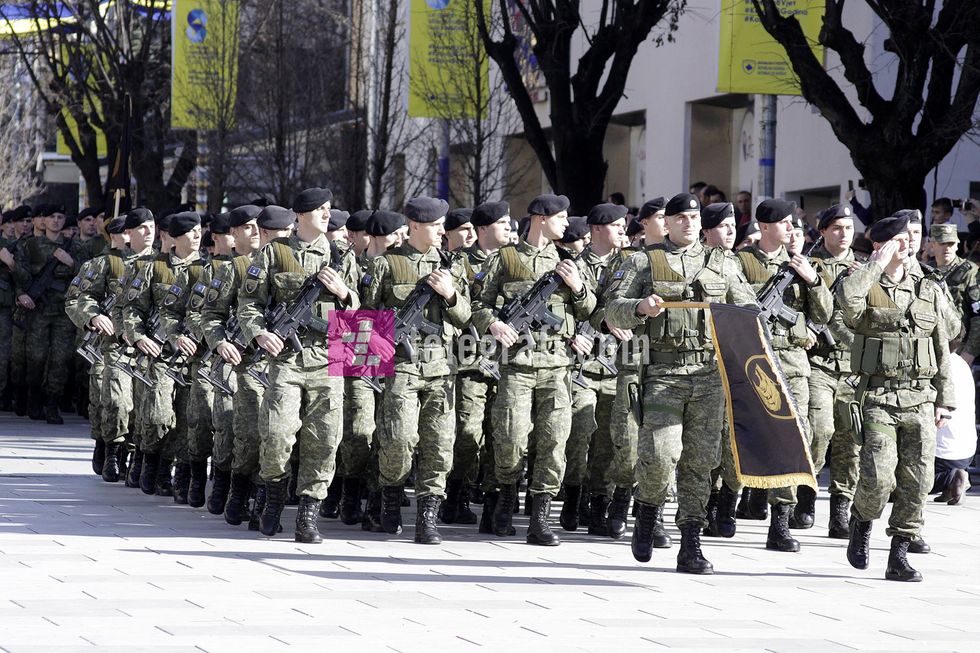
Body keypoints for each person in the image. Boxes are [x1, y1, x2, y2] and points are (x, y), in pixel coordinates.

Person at [604, 192, 757, 574]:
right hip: (662, 374)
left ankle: (691, 541)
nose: (689, 223)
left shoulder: (722, 262)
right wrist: (640, 308)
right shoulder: (644, 261)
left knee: (700, 462)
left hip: (708, 375)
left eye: (694, 217)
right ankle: (648, 509)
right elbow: (612, 309)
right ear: (667, 223)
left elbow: (749, 306)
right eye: (681, 218)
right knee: (658, 454)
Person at [471, 193, 595, 546]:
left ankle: (540, 518)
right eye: (561, 217)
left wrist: (578, 287)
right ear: (541, 218)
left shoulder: (569, 260)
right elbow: (478, 303)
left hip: (557, 366)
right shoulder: (506, 259)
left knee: (554, 441)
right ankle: (505, 500)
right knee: (509, 437)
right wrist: (493, 324)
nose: (567, 224)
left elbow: (589, 310)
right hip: (518, 366)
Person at [237, 188, 360, 543]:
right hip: (286, 358)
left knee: (324, 439)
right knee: (276, 434)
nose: (326, 214)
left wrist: (344, 294)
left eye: (328, 208)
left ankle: (308, 514)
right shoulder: (275, 252)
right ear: (300, 215)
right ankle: (274, 495)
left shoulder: (340, 255)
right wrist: (259, 334)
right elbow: (249, 302)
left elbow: (359, 313)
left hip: (329, 354)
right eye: (319, 209)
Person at [839, 212, 954, 582]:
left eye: (911, 237)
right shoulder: (863, 282)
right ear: (880, 244)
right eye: (899, 238)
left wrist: (945, 399)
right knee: (876, 476)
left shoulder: (927, 287)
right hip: (878, 396)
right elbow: (846, 302)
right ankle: (861, 521)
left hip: (920, 396)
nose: (908, 243)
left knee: (919, 479)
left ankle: (899, 553)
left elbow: (946, 339)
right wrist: (874, 265)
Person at [361, 196, 471, 545]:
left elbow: (466, 316)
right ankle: (388, 503)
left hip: (442, 367)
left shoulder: (451, 266)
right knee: (398, 440)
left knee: (440, 444)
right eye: (437, 226)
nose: (443, 231)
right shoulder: (387, 265)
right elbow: (362, 319)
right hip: (402, 368)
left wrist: (451, 295)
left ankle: (427, 518)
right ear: (416, 227)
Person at [736, 199, 833, 552]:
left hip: (792, 361)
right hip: (755, 360)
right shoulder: (741, 262)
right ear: (764, 226)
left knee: (799, 435)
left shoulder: (804, 264)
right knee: (757, 435)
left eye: (795, 222)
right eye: (786, 222)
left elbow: (824, 314)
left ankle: (781, 521)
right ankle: (746, 493)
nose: (793, 227)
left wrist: (812, 280)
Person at [445, 200, 512, 530]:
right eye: (502, 223)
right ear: (483, 229)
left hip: (509, 361)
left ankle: (492, 505)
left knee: (501, 435)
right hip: (471, 362)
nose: (509, 228)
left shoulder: (513, 261)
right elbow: (458, 308)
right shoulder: (460, 263)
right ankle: (455, 499)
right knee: (469, 434)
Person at [561, 203, 626, 536]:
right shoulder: (574, 266)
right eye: (617, 226)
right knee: (579, 436)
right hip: (582, 367)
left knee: (607, 442)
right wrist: (571, 334)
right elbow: (560, 310)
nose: (622, 231)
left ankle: (598, 503)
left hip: (616, 365)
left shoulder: (628, 265)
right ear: (598, 228)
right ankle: (573, 501)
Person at [797, 204, 862, 538]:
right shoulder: (810, 266)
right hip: (819, 363)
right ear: (822, 231)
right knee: (819, 431)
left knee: (850, 441)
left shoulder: (862, 268)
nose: (843, 233)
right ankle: (806, 496)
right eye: (836, 227)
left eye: (848, 227)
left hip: (853, 367)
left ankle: (840, 508)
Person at [64, 216, 133, 482]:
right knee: (110, 400)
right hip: (108, 346)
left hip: (144, 347)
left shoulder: (153, 265)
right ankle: (108, 446)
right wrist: (92, 316)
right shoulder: (100, 264)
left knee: (139, 406)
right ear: (114, 236)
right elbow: (74, 299)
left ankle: (131, 453)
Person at [13, 204, 80, 424]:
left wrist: (70, 262)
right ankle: (35, 398)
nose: (56, 220)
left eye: (61, 217)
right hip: (38, 307)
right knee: (37, 357)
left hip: (63, 309)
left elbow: (89, 274)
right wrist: (22, 294)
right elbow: (20, 272)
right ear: (44, 219)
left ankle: (52, 404)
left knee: (60, 358)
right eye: (52, 216)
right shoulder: (31, 245)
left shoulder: (74, 246)